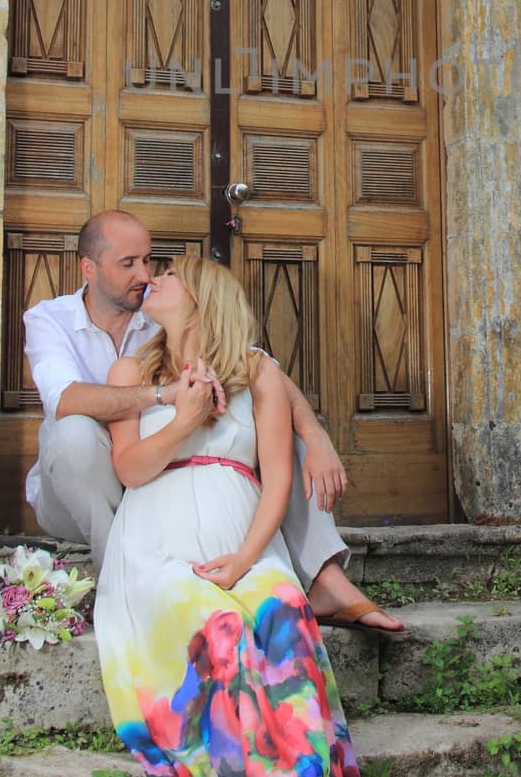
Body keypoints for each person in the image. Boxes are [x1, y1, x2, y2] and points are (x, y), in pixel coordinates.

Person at [95, 255, 388, 777]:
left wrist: (247, 558)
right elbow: (129, 467)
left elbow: (278, 479)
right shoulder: (131, 371)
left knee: (283, 610)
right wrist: (183, 421)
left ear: (202, 298)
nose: (155, 279)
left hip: (244, 542)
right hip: (158, 546)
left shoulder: (258, 374)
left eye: (171, 274)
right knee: (222, 628)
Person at [23, 209, 401, 632]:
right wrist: (168, 396)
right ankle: (119, 575)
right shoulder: (50, 318)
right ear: (89, 268)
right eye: (129, 264)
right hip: (86, 485)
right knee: (72, 430)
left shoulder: (163, 313)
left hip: (159, 481)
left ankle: (326, 578)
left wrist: (317, 435)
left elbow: (258, 367)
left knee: (285, 432)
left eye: (148, 261)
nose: (145, 274)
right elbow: (66, 399)